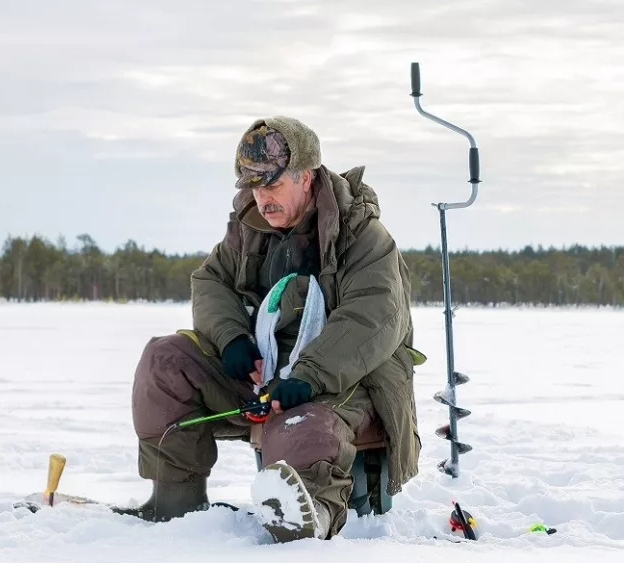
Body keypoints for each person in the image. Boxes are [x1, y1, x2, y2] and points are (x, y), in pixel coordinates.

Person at [124, 115, 423, 542]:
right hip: (267, 375)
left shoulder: (365, 237)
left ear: (306, 177)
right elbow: (210, 282)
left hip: (348, 381)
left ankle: (314, 513)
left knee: (299, 424)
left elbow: (373, 317)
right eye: (255, 187)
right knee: (165, 360)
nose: (262, 198)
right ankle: (174, 505)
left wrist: (306, 375)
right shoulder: (249, 230)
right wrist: (232, 340)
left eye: (272, 185)